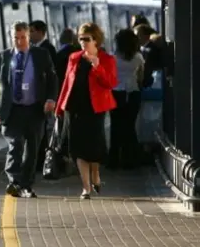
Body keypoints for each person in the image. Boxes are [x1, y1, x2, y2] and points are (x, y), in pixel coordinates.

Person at [0, 21, 58, 198]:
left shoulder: (41, 55)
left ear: (28, 37)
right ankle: (14, 181)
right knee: (15, 143)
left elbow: (52, 79)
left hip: (34, 109)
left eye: (23, 37)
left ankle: (26, 185)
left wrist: (51, 99)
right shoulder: (3, 57)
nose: (19, 42)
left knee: (32, 148)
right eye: (15, 38)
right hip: (12, 110)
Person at [55, 22, 117, 200]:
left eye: (86, 39)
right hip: (75, 108)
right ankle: (86, 188)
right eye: (80, 38)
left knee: (94, 147)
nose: (82, 42)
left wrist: (97, 66)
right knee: (78, 148)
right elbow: (67, 83)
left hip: (95, 109)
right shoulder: (74, 57)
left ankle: (96, 174)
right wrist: (60, 107)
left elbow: (111, 83)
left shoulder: (107, 59)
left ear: (96, 40)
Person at [108, 29, 143, 170]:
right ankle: (131, 159)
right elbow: (141, 78)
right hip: (133, 94)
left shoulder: (113, 58)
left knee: (116, 127)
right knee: (130, 126)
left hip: (116, 94)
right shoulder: (138, 57)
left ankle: (114, 159)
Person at [29, 20, 58, 171]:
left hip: (45, 98)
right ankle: (39, 159)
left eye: (32, 31)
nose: (30, 34)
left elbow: (52, 76)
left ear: (41, 32)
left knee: (45, 130)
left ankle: (43, 160)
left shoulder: (47, 49)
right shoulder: (36, 49)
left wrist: (50, 97)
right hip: (38, 97)